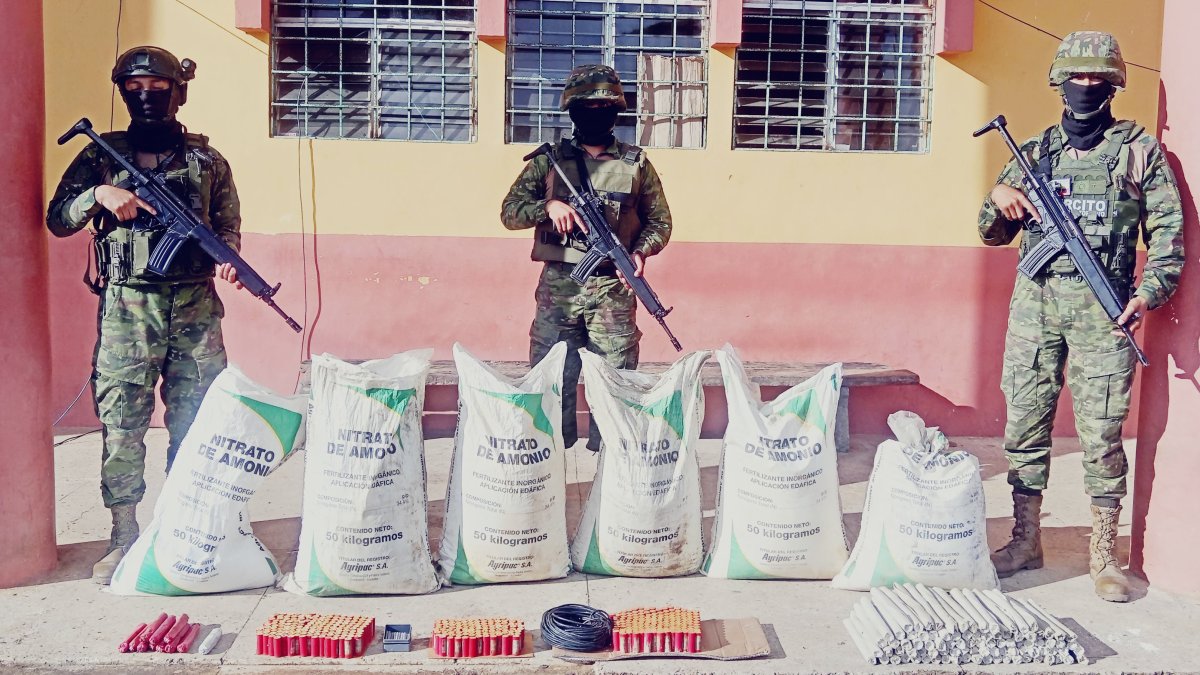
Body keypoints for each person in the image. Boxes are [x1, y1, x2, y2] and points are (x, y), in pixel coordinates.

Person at [978, 32, 1184, 602]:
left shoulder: (1138, 151)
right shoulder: (1034, 152)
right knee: (1024, 424)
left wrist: (1149, 293)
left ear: (1114, 84)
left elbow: (1168, 233)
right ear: (1060, 83)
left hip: (1105, 310)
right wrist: (999, 198)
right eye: (1078, 78)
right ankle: (1025, 539)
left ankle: (1103, 555)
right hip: (1036, 308)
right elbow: (991, 233)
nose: (1086, 87)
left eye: (1098, 79)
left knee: (1101, 434)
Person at [46, 46, 244, 583]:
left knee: (198, 422)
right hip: (129, 310)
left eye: (158, 89)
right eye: (134, 89)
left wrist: (227, 259)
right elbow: (58, 218)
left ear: (178, 93)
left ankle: (185, 525)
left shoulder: (207, 160)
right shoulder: (101, 155)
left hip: (196, 308)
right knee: (123, 421)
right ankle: (124, 533)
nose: (146, 98)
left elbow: (227, 224)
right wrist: (98, 194)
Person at [501, 64, 673, 450]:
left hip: (613, 289)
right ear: (572, 111)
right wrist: (548, 209)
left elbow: (659, 222)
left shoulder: (636, 163)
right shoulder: (549, 161)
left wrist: (641, 252)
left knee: (615, 381)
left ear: (616, 112)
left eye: (605, 107)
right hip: (558, 289)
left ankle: (610, 462)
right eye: (587, 107)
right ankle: (551, 455)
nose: (596, 114)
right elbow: (510, 211)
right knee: (550, 376)